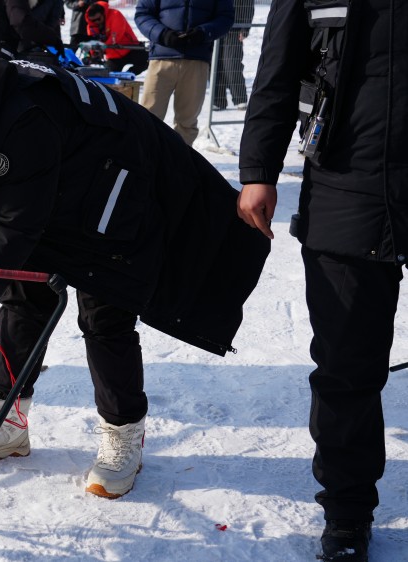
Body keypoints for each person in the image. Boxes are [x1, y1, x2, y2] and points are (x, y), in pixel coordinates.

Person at [0, 56, 268, 498]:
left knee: (104, 316)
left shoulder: (23, 121)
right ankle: (7, 419)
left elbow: (9, 233)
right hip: (51, 187)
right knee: (21, 298)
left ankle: (123, 433)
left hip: (120, 190)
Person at [238, 1, 403, 560]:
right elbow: (278, 72)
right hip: (346, 193)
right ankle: (348, 514)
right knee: (347, 367)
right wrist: (258, 170)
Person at [134, 0, 234, 145]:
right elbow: (143, 14)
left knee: (187, 122)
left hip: (197, 61)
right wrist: (162, 34)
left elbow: (225, 17)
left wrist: (203, 32)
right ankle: (144, 162)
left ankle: (180, 163)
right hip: (161, 60)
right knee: (148, 117)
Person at [210, 0, 253, 111]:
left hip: (234, 29)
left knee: (232, 64)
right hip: (215, 28)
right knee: (215, 65)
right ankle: (218, 101)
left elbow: (248, 6)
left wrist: (245, 28)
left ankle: (240, 99)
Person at [84, 1, 147, 74]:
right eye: (93, 20)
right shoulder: (91, 26)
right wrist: (94, 54)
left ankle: (129, 74)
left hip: (129, 48)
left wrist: (103, 47)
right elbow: (92, 42)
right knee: (109, 75)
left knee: (145, 60)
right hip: (113, 55)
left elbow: (116, 36)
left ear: (103, 14)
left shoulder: (115, 14)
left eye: (98, 19)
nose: (96, 22)